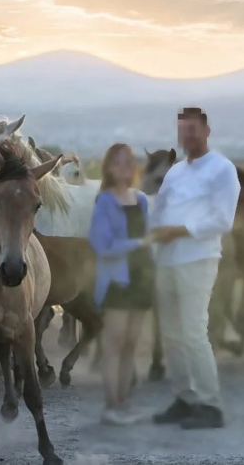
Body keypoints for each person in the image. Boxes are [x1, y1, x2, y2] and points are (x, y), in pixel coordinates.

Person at [149, 107, 241, 429]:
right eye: (182, 130)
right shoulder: (175, 172)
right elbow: (158, 212)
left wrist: (178, 230)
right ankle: (185, 398)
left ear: (206, 131)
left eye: (192, 130)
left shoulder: (222, 169)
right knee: (171, 335)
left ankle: (210, 405)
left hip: (198, 260)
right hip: (166, 262)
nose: (187, 136)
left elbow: (222, 219)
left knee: (192, 332)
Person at [88, 143, 156, 425]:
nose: (124, 167)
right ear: (109, 168)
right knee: (114, 344)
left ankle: (124, 403)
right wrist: (138, 243)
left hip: (142, 278)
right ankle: (111, 406)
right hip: (117, 280)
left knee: (131, 344)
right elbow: (101, 245)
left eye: (128, 162)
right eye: (118, 162)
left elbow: (151, 237)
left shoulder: (140, 200)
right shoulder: (104, 201)